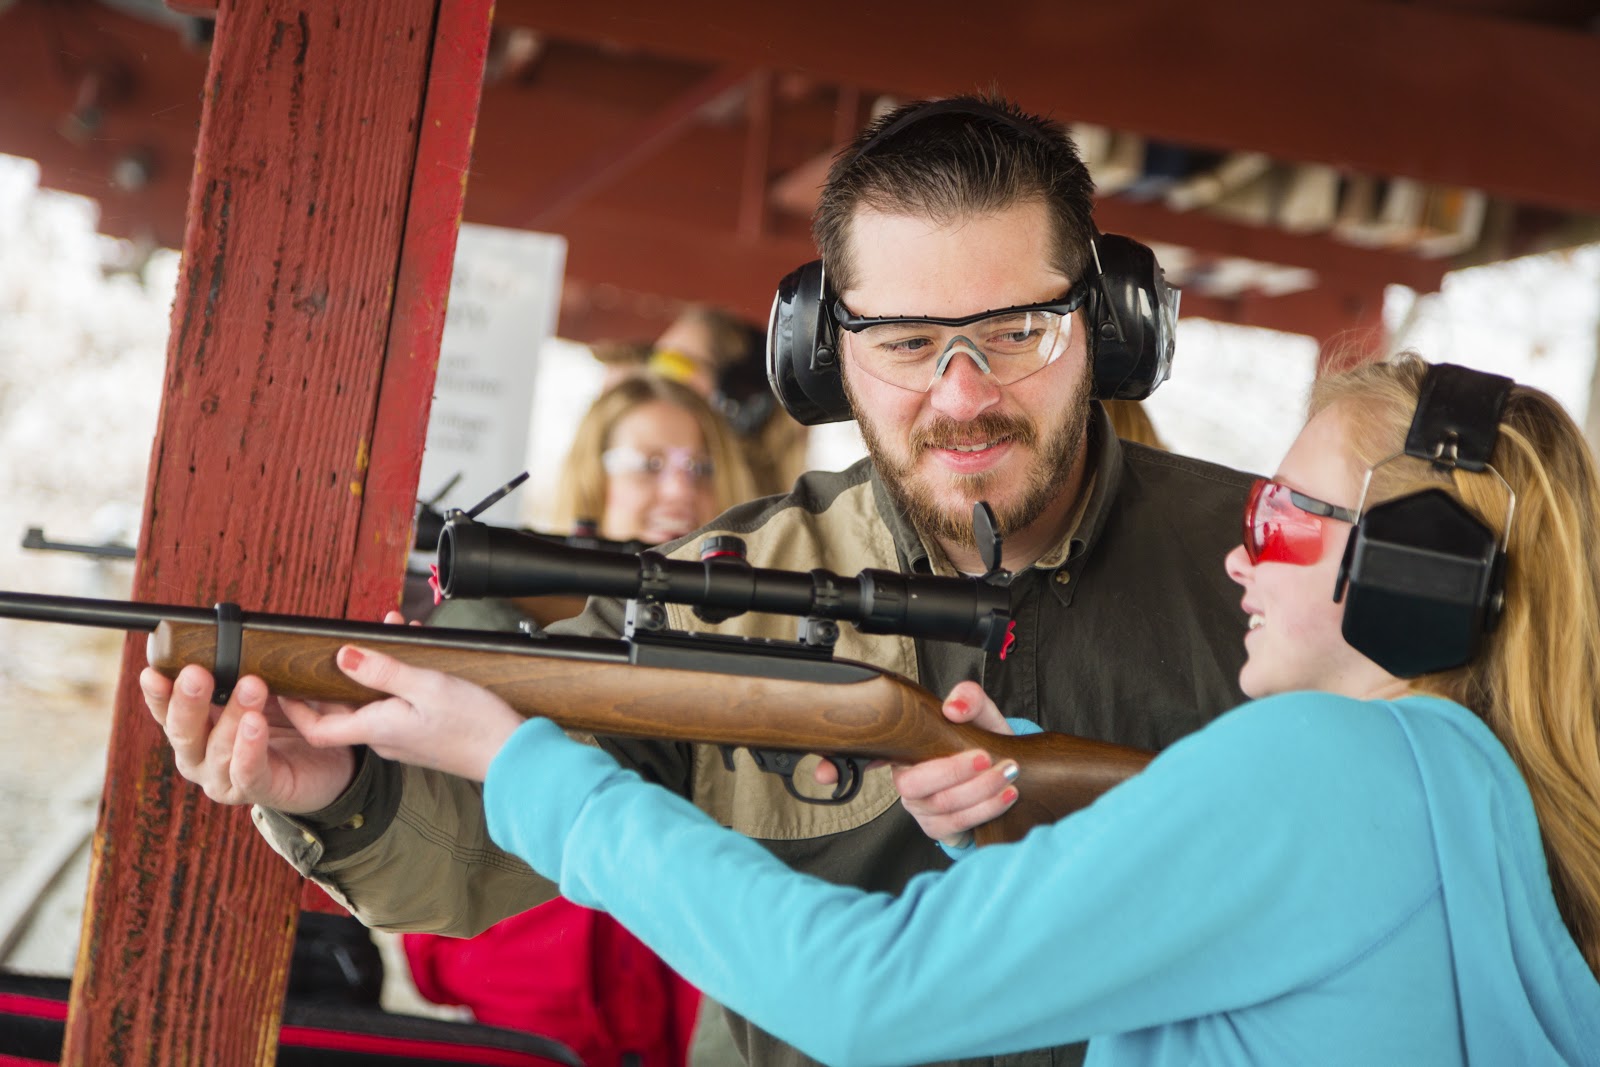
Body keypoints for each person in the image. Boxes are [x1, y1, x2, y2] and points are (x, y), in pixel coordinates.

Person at [141, 93, 1254, 1067]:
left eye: (1014, 330)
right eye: (906, 344)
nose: (962, 394)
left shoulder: (1274, 571)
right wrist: (335, 790)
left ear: (1110, 324)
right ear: (824, 354)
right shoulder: (731, 581)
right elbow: (482, 846)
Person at [268, 356, 1600, 1064]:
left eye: (1283, 517)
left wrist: (523, 761)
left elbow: (862, 996)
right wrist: (1026, 836)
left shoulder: (1326, 761)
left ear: (1418, 572)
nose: (1243, 555)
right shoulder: (1471, 793)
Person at [413, 372, 757, 1067]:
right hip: (539, 1035)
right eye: (650, 464)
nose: (679, 489)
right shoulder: (505, 620)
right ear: (590, 477)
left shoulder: (761, 628)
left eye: (701, 467)